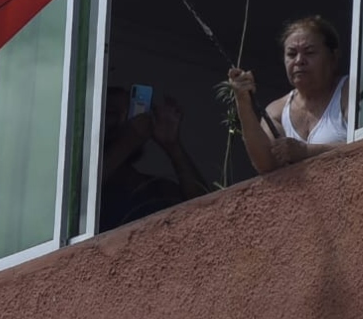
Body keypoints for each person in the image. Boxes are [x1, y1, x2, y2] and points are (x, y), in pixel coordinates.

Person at [229, 15, 348, 174]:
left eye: (310, 52)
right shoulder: (276, 111)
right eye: (291, 54)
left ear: (333, 57)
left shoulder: (349, 91)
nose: (299, 61)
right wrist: (243, 102)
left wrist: (306, 152)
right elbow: (266, 164)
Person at [99, 85, 208, 231]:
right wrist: (128, 140)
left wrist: (172, 146)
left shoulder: (157, 188)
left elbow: (207, 212)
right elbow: (83, 192)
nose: (125, 121)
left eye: (130, 113)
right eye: (112, 113)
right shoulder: (88, 188)